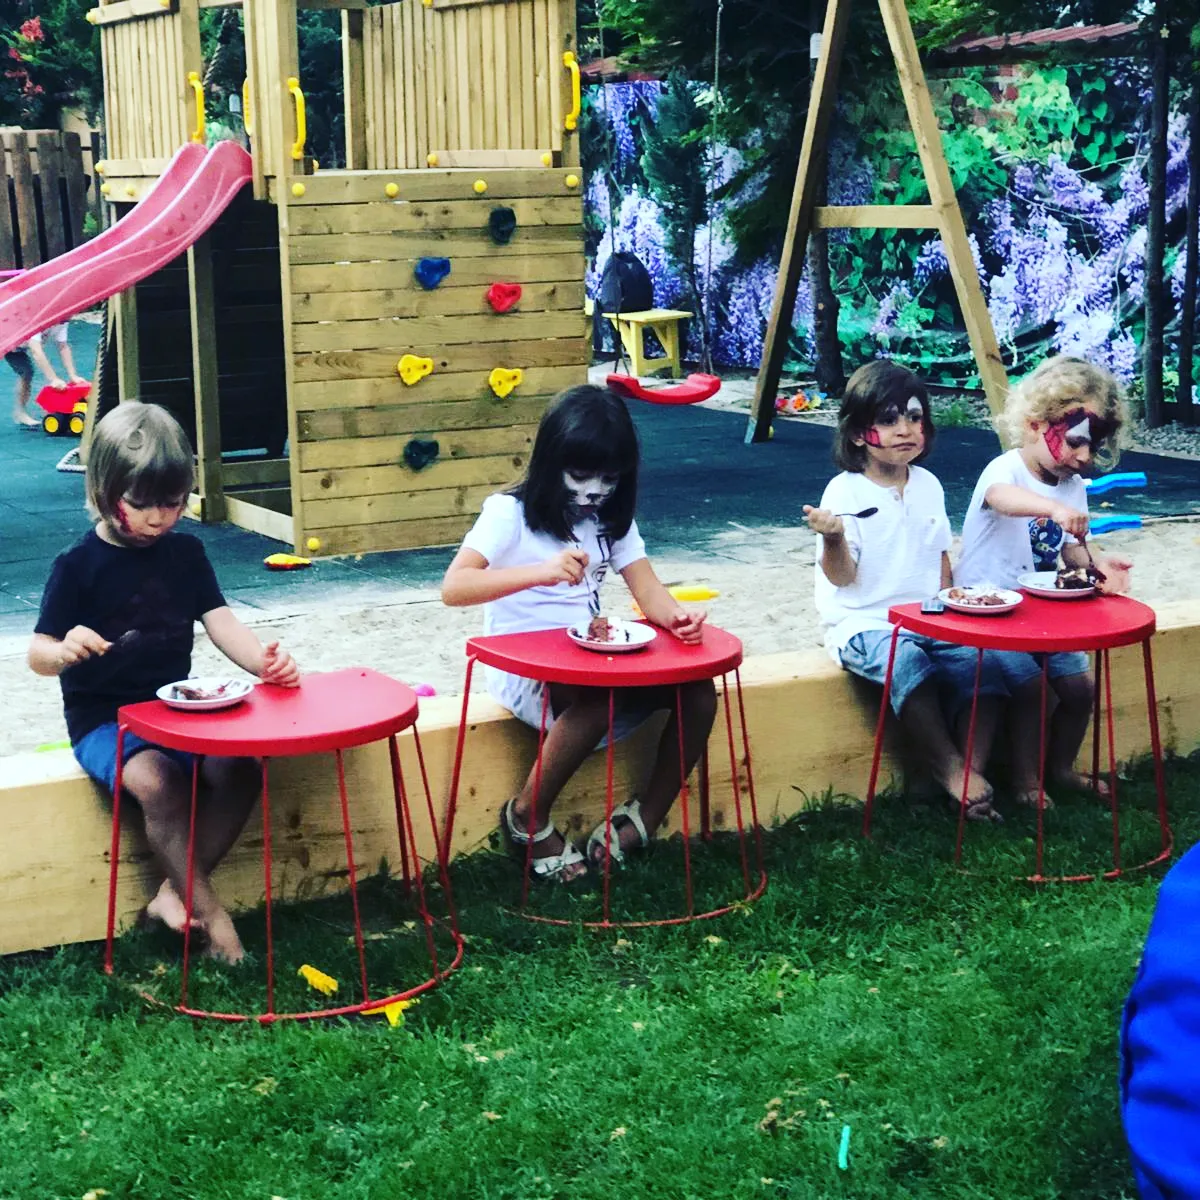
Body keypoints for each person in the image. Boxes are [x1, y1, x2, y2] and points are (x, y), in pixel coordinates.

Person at [28, 401, 300, 962]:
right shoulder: (76, 565)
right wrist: (65, 650)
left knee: (242, 768)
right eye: (142, 503)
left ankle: (173, 896)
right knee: (157, 781)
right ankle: (215, 920)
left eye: (172, 503)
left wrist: (263, 663)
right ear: (105, 492)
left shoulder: (186, 552)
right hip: (105, 721)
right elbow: (37, 654)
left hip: (175, 710)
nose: (158, 518)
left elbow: (221, 621)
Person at [442, 384, 717, 883]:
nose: (594, 491)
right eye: (581, 475)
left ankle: (647, 815)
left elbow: (648, 589)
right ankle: (527, 816)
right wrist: (542, 572)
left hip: (587, 662)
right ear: (551, 462)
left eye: (609, 478)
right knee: (597, 700)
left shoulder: (609, 519)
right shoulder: (508, 514)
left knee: (697, 691)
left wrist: (677, 618)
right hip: (525, 671)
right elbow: (455, 587)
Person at [804, 360, 1011, 822]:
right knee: (908, 662)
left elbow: (939, 556)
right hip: (862, 623)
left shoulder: (928, 485)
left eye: (915, 417)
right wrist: (833, 538)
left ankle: (970, 779)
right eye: (888, 419)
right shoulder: (845, 492)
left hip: (928, 616)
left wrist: (953, 610)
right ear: (858, 434)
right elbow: (841, 577)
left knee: (985, 668)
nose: (905, 429)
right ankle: (950, 769)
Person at [956, 355, 1132, 808]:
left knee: (1080, 690)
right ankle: (1026, 782)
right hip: (988, 611)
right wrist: (1052, 508)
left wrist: (1099, 567)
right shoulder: (1006, 470)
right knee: (1033, 690)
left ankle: (1061, 769)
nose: (1085, 457)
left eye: (1093, 445)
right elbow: (1002, 499)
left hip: (1039, 612)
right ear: (1035, 425)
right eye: (1076, 442)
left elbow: (1073, 550)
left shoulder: (1071, 484)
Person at [9, 323, 88, 427]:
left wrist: (73, 375)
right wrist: (53, 379)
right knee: (26, 372)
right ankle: (20, 413)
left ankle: (21, 412)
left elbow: (63, 347)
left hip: (20, 346)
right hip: (8, 340)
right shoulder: (37, 322)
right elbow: (36, 351)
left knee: (27, 372)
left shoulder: (62, 321)